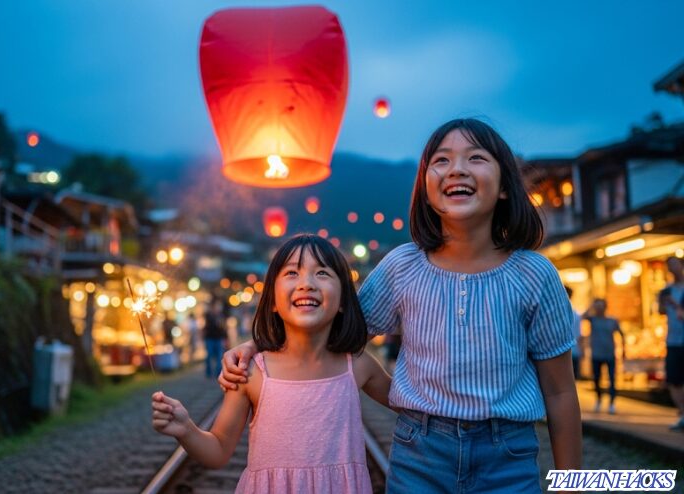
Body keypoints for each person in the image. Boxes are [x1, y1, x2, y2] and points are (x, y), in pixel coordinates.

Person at [220, 118, 582, 493]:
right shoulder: (402, 267)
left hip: (507, 456)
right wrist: (256, 346)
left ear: (505, 186)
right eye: (441, 160)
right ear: (425, 190)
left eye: (476, 158)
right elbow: (333, 329)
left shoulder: (535, 275)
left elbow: (559, 392)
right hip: (421, 452)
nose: (456, 169)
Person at [152, 234, 392, 493]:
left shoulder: (357, 366)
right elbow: (219, 450)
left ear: (344, 301)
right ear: (274, 302)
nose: (306, 283)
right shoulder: (253, 371)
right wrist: (186, 429)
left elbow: (413, 402)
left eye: (322, 273)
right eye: (291, 273)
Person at [583, 299, 624, 414]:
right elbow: (583, 316)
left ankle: (611, 403)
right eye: (597, 307)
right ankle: (598, 399)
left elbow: (621, 334)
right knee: (596, 379)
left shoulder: (612, 320)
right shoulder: (593, 319)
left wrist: (624, 350)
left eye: (601, 306)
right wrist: (591, 306)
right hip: (596, 354)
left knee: (612, 379)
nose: (599, 309)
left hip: (610, 354)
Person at [659, 256, 684, 431]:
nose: (673, 268)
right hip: (673, 340)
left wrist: (676, 306)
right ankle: (682, 413)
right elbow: (660, 311)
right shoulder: (665, 291)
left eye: (675, 264)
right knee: (674, 380)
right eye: (670, 266)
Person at [202, 301, 227, 378]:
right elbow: (206, 327)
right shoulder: (208, 316)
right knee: (209, 355)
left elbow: (223, 328)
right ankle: (208, 372)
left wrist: (225, 338)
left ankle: (218, 372)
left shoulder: (221, 316)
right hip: (210, 338)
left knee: (220, 356)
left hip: (219, 338)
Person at [565, 285, 583, 379]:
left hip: (563, 353)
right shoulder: (576, 314)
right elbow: (580, 335)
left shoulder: (557, 313)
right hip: (575, 351)